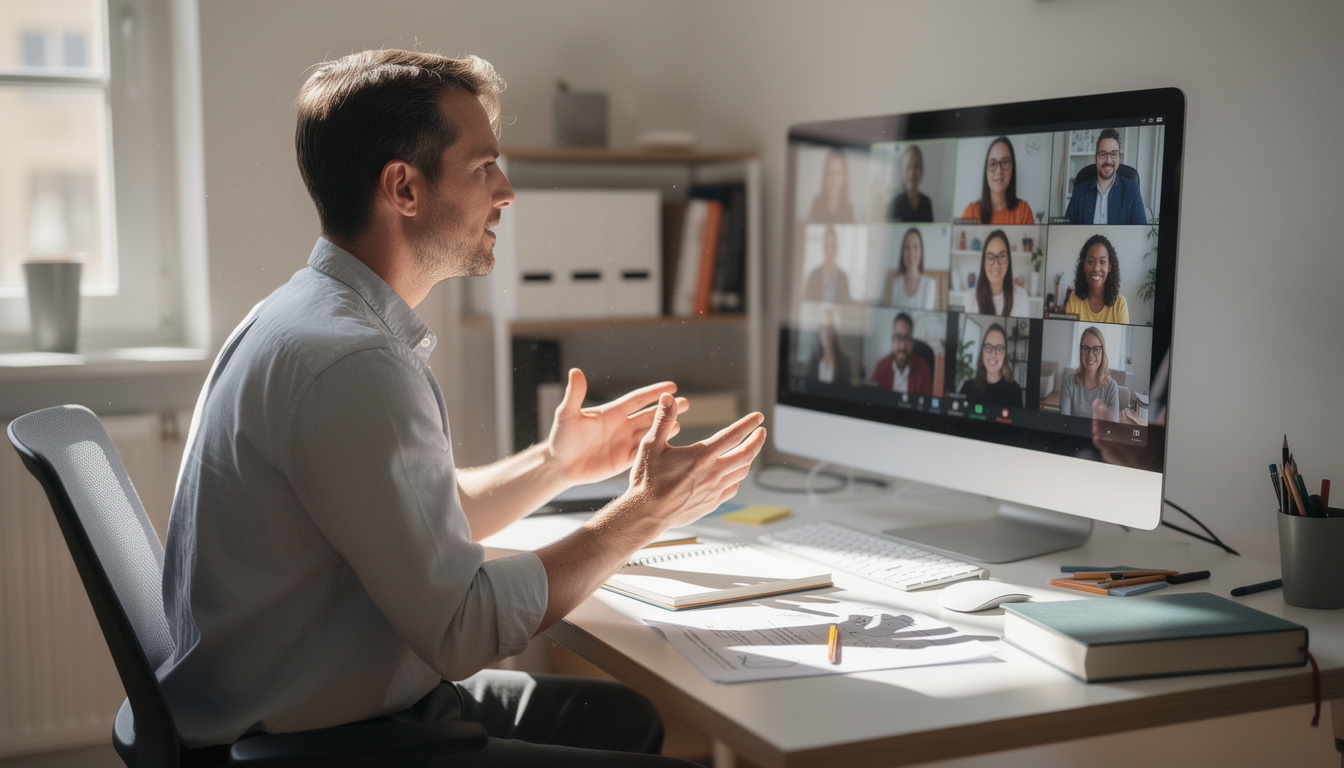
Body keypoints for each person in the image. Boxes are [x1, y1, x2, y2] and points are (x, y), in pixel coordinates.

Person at [159, 49, 765, 767]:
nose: (505, 191)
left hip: (306, 704)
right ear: (404, 189)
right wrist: (643, 513)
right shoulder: (353, 363)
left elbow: (419, 521)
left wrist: (556, 463)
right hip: (332, 742)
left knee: (622, 718)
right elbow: (463, 627)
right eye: (483, 168)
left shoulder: (306, 317)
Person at [1062, 128, 1146, 225]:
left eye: (1114, 154)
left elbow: (1139, 231)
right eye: (1103, 154)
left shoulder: (1132, 190)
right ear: (1096, 158)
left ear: (1119, 158)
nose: (1108, 161)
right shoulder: (1079, 191)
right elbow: (1066, 228)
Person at [960, 136, 1034, 224]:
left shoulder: (1023, 211)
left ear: (1012, 168)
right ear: (986, 170)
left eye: (1005, 162)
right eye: (992, 164)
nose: (999, 171)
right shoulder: (971, 212)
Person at [962, 229, 1030, 317]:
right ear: (984, 263)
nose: (996, 265)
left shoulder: (1021, 297)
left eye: (1002, 256)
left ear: (1008, 261)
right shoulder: (970, 299)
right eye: (990, 257)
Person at [1064, 234, 1129, 323]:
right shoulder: (1074, 299)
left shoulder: (1120, 304)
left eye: (1102, 262)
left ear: (1109, 267)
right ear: (1084, 265)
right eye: (1090, 262)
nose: (1096, 268)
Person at [1060, 326, 1119, 420]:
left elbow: (1112, 429)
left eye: (1096, 349)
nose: (1090, 355)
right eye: (1086, 348)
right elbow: (1064, 422)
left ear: (1102, 352)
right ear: (1081, 351)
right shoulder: (1068, 382)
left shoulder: (1112, 387)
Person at [959, 323, 1023, 408]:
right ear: (983, 351)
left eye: (999, 348)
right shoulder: (967, 388)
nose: (993, 354)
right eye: (989, 347)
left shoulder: (1015, 392)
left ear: (1004, 354)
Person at [867, 312, 932, 395]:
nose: (902, 346)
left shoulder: (923, 367)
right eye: (898, 337)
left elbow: (927, 403)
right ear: (892, 340)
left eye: (907, 338)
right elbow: (871, 397)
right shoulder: (882, 366)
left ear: (912, 342)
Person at [888, 228, 937, 309]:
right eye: (907, 247)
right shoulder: (896, 283)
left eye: (915, 247)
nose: (911, 253)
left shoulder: (929, 284)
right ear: (902, 253)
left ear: (921, 251)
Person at [802, 225, 853, 303]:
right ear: (823, 248)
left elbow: (847, 305)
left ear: (836, 248)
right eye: (827, 246)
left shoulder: (843, 277)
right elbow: (806, 302)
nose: (829, 251)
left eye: (832, 246)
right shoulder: (813, 274)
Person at [805, 308, 852, 386]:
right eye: (823, 327)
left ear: (835, 331)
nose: (826, 333)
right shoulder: (813, 359)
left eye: (830, 328)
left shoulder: (844, 362)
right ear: (819, 332)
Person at [808, 147, 855, 223]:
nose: (834, 180)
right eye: (830, 173)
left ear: (844, 178)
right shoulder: (816, 206)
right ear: (825, 177)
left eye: (838, 173)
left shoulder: (849, 210)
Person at [888, 145, 933, 222]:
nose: (912, 174)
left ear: (922, 170)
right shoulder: (895, 203)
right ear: (902, 172)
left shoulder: (927, 203)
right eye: (908, 167)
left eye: (916, 167)